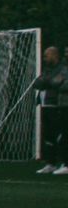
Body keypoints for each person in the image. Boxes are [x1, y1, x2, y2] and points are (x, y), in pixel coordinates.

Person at [38, 45, 67, 175]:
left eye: (46, 55)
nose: (44, 58)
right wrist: (49, 81)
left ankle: (64, 163)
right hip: (46, 105)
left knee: (61, 135)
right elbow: (37, 83)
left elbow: (58, 84)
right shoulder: (47, 70)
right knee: (48, 136)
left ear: (54, 55)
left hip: (57, 105)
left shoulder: (62, 69)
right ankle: (51, 163)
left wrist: (48, 81)